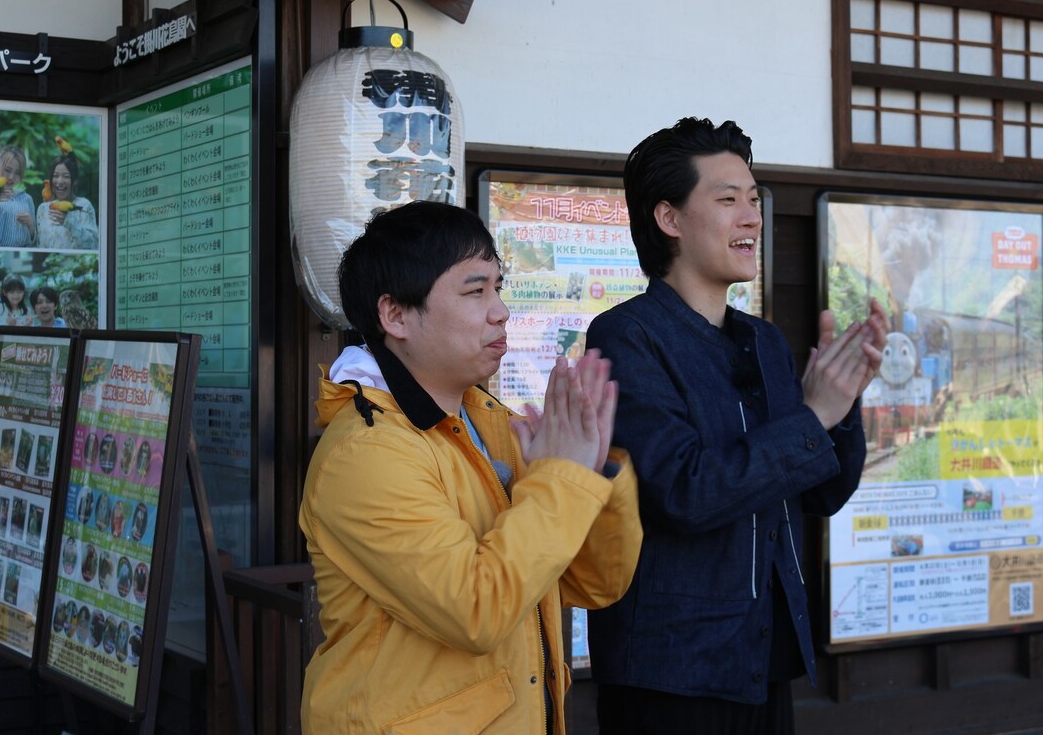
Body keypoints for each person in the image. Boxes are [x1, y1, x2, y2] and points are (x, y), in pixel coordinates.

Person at [586, 118, 888, 734]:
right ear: (668, 218)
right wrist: (813, 416)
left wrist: (841, 404)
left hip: (763, 652)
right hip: (670, 668)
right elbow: (684, 491)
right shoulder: (626, 335)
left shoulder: (764, 340)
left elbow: (823, 494)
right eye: (728, 200)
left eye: (754, 199)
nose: (752, 217)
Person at [299, 200, 643, 734]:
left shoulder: (493, 424)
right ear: (395, 316)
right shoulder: (365, 454)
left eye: (498, 288)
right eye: (474, 291)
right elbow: (476, 611)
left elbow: (593, 584)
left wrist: (593, 473)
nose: (500, 310)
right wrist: (563, 479)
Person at [36, 151, 99, 249]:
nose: (60, 181)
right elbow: (40, 246)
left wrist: (69, 222)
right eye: (55, 176)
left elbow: (94, 246)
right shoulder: (43, 209)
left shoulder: (84, 206)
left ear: (75, 181)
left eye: (66, 176)